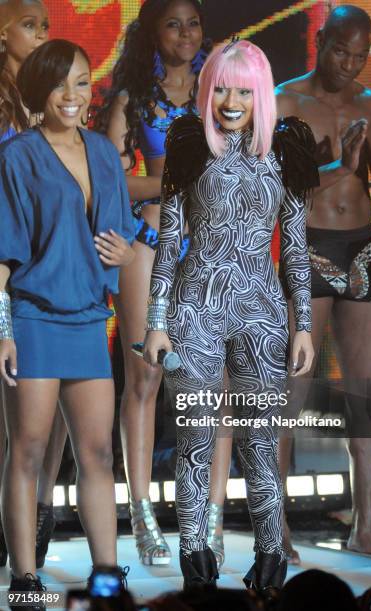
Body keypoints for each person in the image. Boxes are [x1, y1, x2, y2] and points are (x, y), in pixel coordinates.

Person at [143, 39, 316, 590]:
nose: (231, 99)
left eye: (243, 89)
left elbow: (293, 245)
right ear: (206, 89)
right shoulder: (190, 142)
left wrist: (303, 323)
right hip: (195, 308)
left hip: (262, 314)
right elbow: (169, 240)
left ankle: (270, 562)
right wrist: (155, 321)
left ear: (260, 92)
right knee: (194, 437)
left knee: (259, 441)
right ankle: (196, 562)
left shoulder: (287, 147)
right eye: (221, 87)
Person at [95, 0, 232, 568]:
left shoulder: (224, 93)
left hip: (212, 250)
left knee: (216, 385)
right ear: (152, 31)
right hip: (147, 248)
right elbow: (106, 183)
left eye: (193, 22)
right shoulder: (132, 100)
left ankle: (212, 521)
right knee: (145, 380)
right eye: (173, 22)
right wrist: (166, 182)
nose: (185, 32)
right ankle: (145, 517)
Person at [276, 4, 371, 562]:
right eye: (342, 51)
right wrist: (336, 164)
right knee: (292, 391)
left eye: (361, 56)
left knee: (366, 392)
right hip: (305, 249)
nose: (351, 65)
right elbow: (274, 192)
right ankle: (274, 527)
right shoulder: (285, 99)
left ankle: (365, 529)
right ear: (320, 40)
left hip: (360, 252)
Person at [0, 39, 134, 610]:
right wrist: (3, 329)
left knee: (98, 454)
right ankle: (26, 579)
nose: (73, 96)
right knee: (27, 452)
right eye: (60, 85)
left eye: (82, 82)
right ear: (39, 92)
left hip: (87, 319)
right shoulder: (17, 157)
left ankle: (106, 575)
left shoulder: (104, 152)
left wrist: (126, 254)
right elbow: (3, 258)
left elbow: (120, 231)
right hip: (32, 317)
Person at [0, 0, 68, 569]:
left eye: (46, 25)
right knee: (17, 417)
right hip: (7, 269)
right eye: (30, 24)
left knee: (53, 413)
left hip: (51, 270)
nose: (43, 34)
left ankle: (41, 508)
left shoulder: (54, 96)